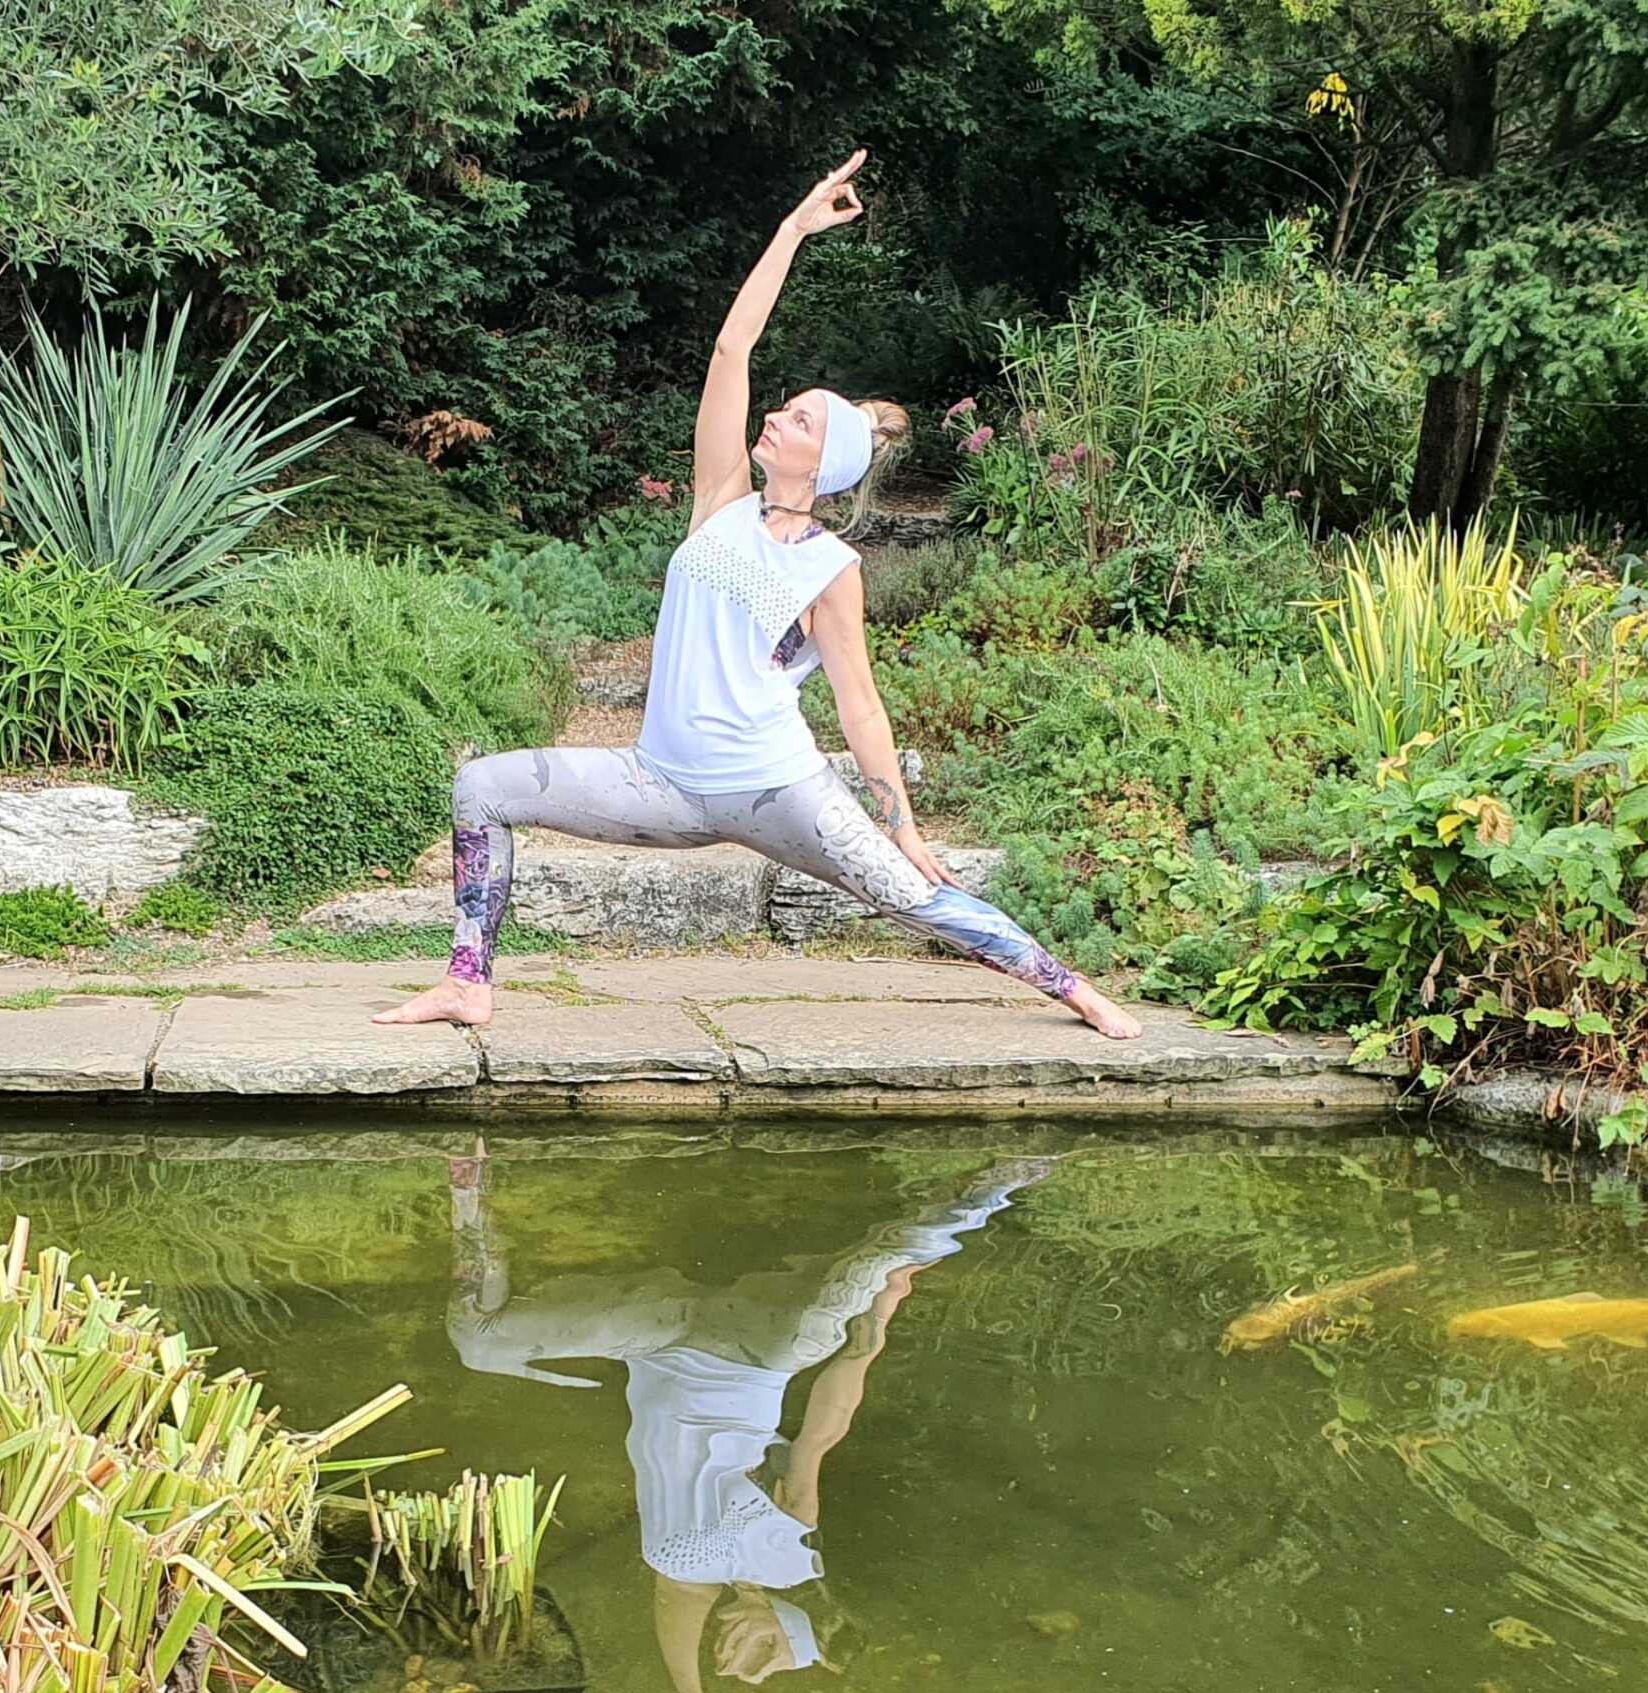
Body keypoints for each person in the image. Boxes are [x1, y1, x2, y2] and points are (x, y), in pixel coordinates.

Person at [376, 150, 1139, 1039]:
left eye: (800, 419)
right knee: (480, 787)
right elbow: (733, 346)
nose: (776, 418)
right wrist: (792, 230)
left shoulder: (829, 568)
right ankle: (469, 983)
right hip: (658, 781)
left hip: (780, 790)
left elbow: (861, 708)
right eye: (783, 409)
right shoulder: (718, 503)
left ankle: (1070, 988)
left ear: (824, 464)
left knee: (915, 895)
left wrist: (902, 825)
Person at [443, 1141, 1057, 1693]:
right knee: (880, 1262)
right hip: (767, 1353)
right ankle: (1001, 1178)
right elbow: (823, 1433)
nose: (740, 1658)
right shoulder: (792, 1549)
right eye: (766, 1653)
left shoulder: (684, 1585)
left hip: (659, 1340)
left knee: (478, 1342)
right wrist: (874, 1329)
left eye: (743, 1661)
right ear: (789, 1625)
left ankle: (468, 1187)